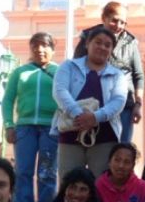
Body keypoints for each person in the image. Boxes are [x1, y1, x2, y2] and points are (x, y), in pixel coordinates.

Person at [53, 27, 127, 179]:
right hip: (70, 132)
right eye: (98, 42)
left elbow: (118, 101)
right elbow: (59, 91)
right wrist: (79, 115)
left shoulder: (118, 75)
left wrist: (95, 117)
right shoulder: (68, 66)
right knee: (69, 180)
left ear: (112, 50)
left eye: (107, 45)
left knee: (101, 183)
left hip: (105, 137)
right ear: (87, 43)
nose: (102, 47)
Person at [1, 32, 59, 202]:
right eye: (35, 45)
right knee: (23, 172)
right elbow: (8, 100)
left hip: (51, 129)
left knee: (47, 173)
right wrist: (9, 125)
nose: (40, 49)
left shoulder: (60, 72)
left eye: (44, 45)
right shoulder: (20, 72)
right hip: (24, 128)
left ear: (52, 49)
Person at [74, 1, 144, 144]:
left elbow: (138, 76)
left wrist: (138, 105)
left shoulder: (130, 42)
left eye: (123, 23)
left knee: (122, 148)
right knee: (94, 147)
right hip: (93, 104)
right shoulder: (87, 37)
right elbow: (76, 69)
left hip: (124, 106)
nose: (118, 26)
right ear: (104, 18)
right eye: (114, 20)